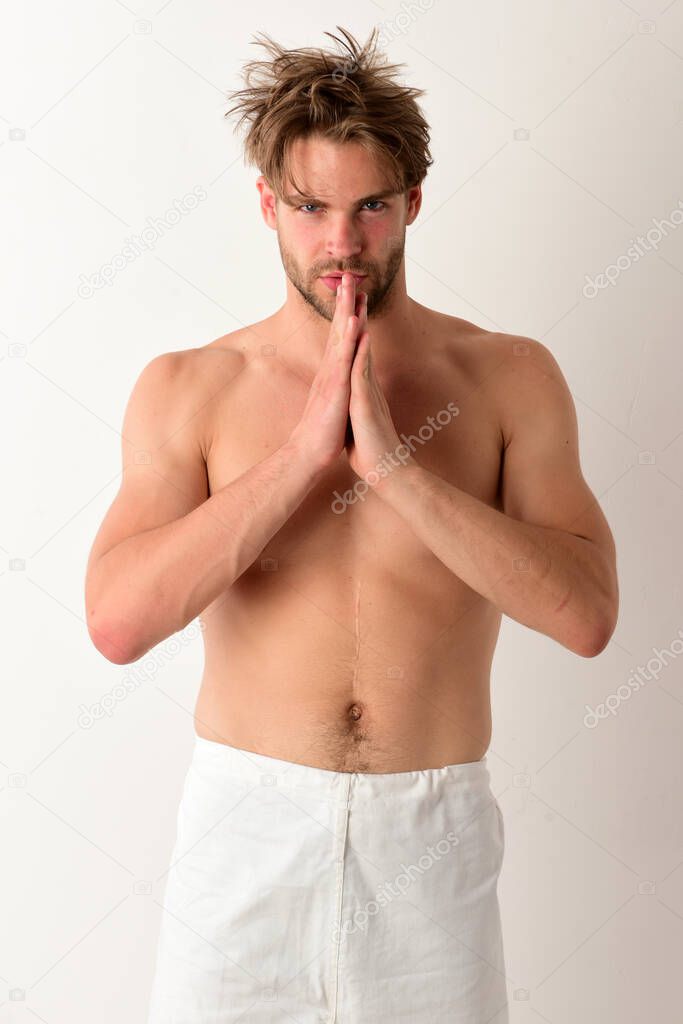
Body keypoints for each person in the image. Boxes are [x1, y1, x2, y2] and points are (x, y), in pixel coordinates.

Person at [85, 25, 619, 1024]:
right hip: (246, 833)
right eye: (310, 207)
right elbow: (117, 622)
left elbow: (587, 616)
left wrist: (392, 465)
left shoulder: (506, 379)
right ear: (266, 207)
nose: (340, 241)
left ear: (411, 202)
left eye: (369, 205)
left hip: (431, 835)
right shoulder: (189, 388)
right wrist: (299, 458)